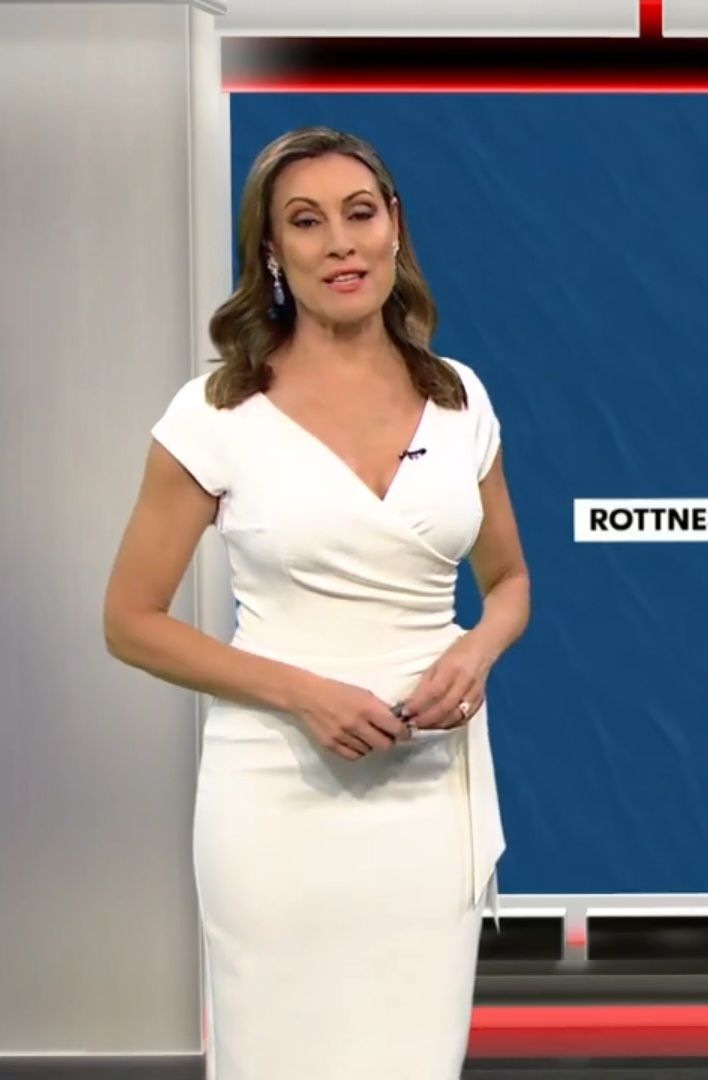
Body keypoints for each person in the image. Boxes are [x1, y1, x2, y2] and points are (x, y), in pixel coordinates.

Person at [103, 126, 530, 1080]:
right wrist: (304, 694)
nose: (340, 242)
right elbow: (130, 620)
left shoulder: (460, 399)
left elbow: (509, 583)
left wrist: (476, 650)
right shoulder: (214, 413)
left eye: (359, 213)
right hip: (276, 796)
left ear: (394, 228)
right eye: (306, 222)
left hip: (430, 800)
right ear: (271, 250)